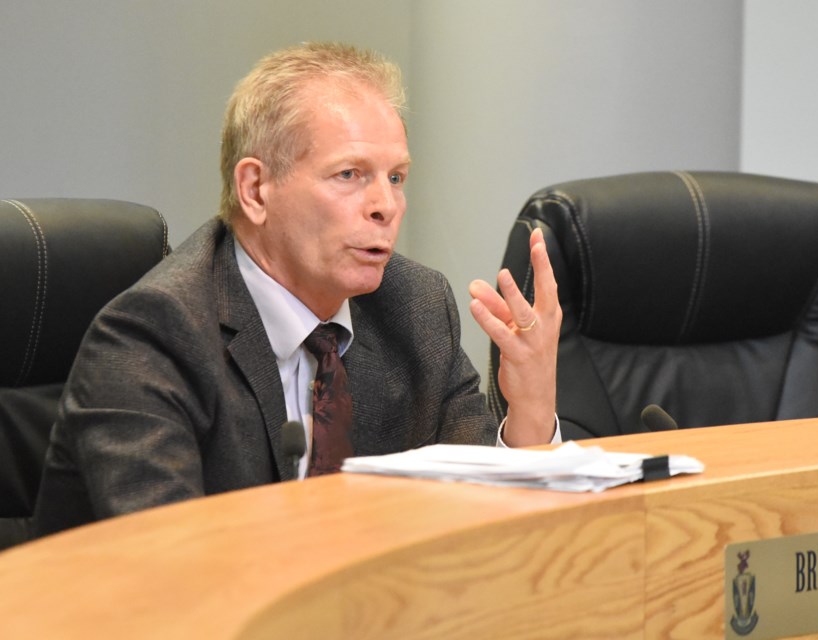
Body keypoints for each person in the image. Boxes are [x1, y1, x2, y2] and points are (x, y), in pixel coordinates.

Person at [33, 42, 560, 535]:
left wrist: (531, 410)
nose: (386, 206)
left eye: (396, 177)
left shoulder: (415, 307)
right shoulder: (153, 338)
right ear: (255, 189)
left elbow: (494, 528)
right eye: (350, 174)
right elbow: (169, 568)